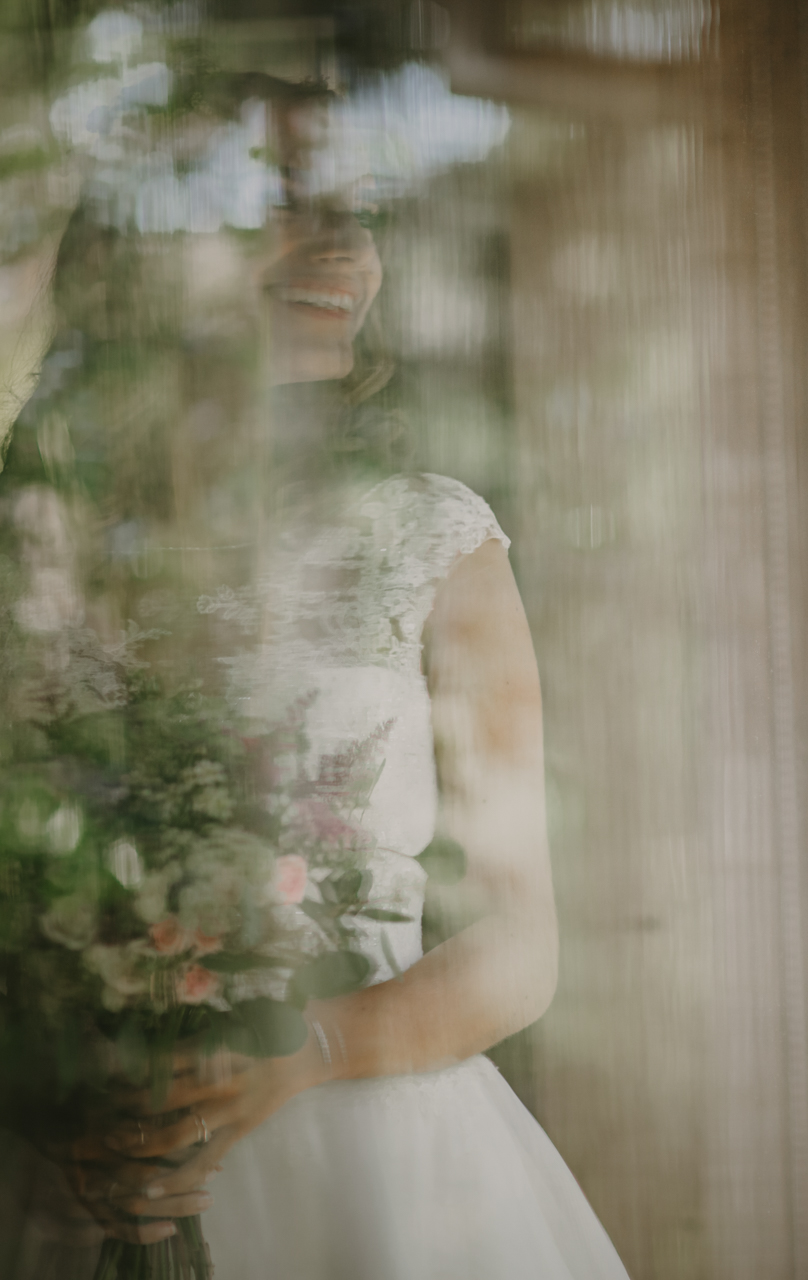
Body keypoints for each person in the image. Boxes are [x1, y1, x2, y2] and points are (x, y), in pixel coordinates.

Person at [19, 87, 630, 1279]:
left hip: (379, 1182)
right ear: (151, 237)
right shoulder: (39, 542)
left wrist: (295, 1053)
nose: (342, 247)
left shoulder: (433, 539)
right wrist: (54, 1103)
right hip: (75, 1181)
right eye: (283, 200)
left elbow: (521, 946)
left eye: (359, 210)